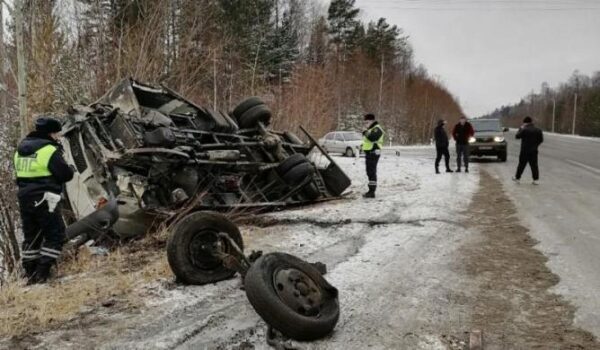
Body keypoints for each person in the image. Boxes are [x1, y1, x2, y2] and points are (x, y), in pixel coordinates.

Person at [14, 117, 74, 284]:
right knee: (55, 235)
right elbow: (65, 175)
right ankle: (43, 273)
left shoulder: (20, 150)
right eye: (57, 133)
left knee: (31, 236)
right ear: (51, 132)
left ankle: (30, 273)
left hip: (24, 197)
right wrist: (70, 168)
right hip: (46, 198)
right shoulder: (48, 150)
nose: (58, 137)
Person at [513, 116, 544, 185]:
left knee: (521, 165)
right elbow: (541, 140)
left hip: (524, 151)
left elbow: (517, 136)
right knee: (534, 165)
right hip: (534, 151)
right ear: (531, 122)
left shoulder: (524, 129)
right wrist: (535, 145)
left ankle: (517, 178)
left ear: (525, 123)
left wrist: (520, 129)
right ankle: (535, 180)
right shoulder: (538, 130)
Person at [361, 113, 384, 198]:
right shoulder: (371, 129)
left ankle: (372, 192)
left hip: (374, 153)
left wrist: (365, 132)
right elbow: (367, 141)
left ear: (372, 121)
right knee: (369, 172)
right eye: (365, 122)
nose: (366, 124)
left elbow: (372, 138)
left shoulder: (377, 129)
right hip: (370, 153)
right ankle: (371, 190)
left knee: (372, 172)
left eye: (367, 122)